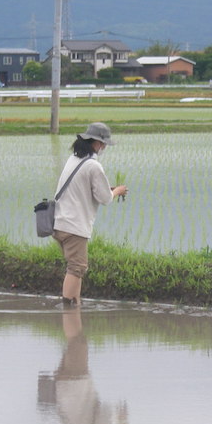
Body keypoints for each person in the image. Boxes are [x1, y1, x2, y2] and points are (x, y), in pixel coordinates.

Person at [51, 122, 128, 307]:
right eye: (104, 144)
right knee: (76, 268)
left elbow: (82, 188)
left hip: (59, 223)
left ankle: (75, 305)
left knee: (76, 269)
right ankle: (68, 308)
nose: (104, 147)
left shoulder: (74, 159)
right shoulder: (93, 166)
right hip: (74, 227)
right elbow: (105, 198)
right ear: (97, 143)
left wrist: (108, 190)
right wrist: (118, 191)